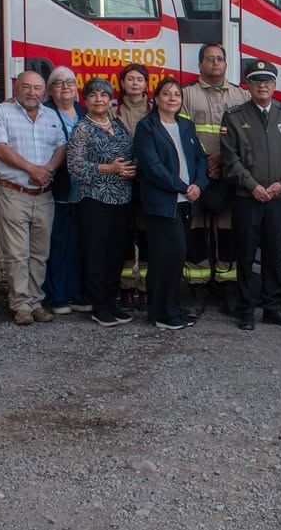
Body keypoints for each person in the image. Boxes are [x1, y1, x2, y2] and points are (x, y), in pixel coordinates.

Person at [221, 59, 281, 330]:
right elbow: (230, 160)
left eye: (267, 81)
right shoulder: (234, 117)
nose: (262, 85)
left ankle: (272, 307)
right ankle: (245, 310)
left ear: (275, 85)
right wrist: (252, 186)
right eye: (256, 81)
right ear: (248, 85)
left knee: (272, 255)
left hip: (277, 199)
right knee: (244, 256)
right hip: (247, 199)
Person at [0, 70, 68, 325]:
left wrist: (48, 170)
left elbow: (61, 146)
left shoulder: (51, 115)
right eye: (26, 87)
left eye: (36, 88)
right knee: (16, 253)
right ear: (16, 88)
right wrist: (32, 169)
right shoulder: (1, 112)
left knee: (39, 253)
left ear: (43, 92)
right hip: (14, 192)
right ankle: (20, 305)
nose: (31, 92)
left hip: (43, 194)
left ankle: (35, 302)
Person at [134, 77, 209, 330]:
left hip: (186, 202)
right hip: (162, 203)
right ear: (156, 99)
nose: (172, 98)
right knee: (168, 256)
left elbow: (200, 158)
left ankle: (164, 311)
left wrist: (199, 184)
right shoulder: (147, 127)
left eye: (176, 94)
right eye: (167, 94)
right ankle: (166, 314)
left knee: (174, 258)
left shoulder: (186, 126)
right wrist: (182, 187)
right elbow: (152, 167)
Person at [181, 43, 248, 311]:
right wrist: (205, 162)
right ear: (200, 65)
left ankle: (227, 287)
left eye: (220, 58)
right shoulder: (187, 95)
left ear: (226, 64)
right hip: (197, 174)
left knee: (227, 232)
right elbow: (183, 134)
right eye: (209, 59)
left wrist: (222, 160)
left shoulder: (241, 95)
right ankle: (196, 290)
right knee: (196, 231)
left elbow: (245, 136)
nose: (215, 63)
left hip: (229, 174)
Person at [68, 77, 136, 326]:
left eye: (104, 95)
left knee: (116, 254)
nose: (99, 99)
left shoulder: (118, 125)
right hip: (95, 200)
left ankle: (111, 302)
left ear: (111, 100)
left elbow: (130, 155)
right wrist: (108, 168)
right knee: (96, 254)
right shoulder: (82, 129)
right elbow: (74, 165)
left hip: (122, 199)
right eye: (93, 95)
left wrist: (131, 170)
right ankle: (98, 307)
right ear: (85, 100)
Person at [41, 66, 83, 314]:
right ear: (50, 89)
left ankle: (76, 293)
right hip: (56, 188)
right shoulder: (44, 113)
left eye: (70, 82)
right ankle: (56, 295)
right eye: (58, 83)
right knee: (57, 243)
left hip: (84, 191)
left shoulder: (85, 112)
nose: (65, 87)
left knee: (79, 244)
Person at [115, 63, 152, 312]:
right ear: (123, 84)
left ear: (146, 84)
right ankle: (126, 287)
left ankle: (146, 288)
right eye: (130, 79)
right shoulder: (112, 111)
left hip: (148, 181)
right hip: (121, 180)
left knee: (148, 237)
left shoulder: (155, 110)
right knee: (125, 237)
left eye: (140, 79)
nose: (135, 83)